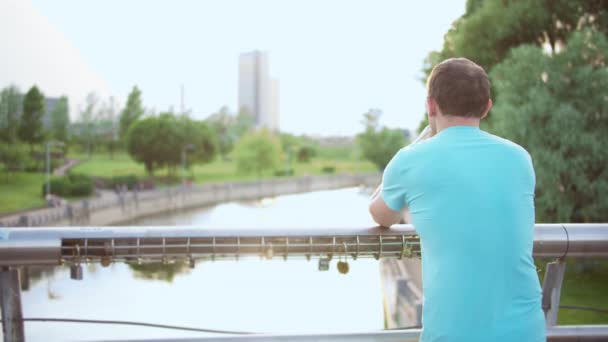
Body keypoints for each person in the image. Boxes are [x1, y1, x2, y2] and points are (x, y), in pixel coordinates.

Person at [369, 58, 545, 341]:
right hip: (524, 330)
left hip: (453, 333)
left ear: (431, 105)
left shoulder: (411, 160)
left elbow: (380, 214)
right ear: (487, 107)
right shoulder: (520, 157)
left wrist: (421, 139)